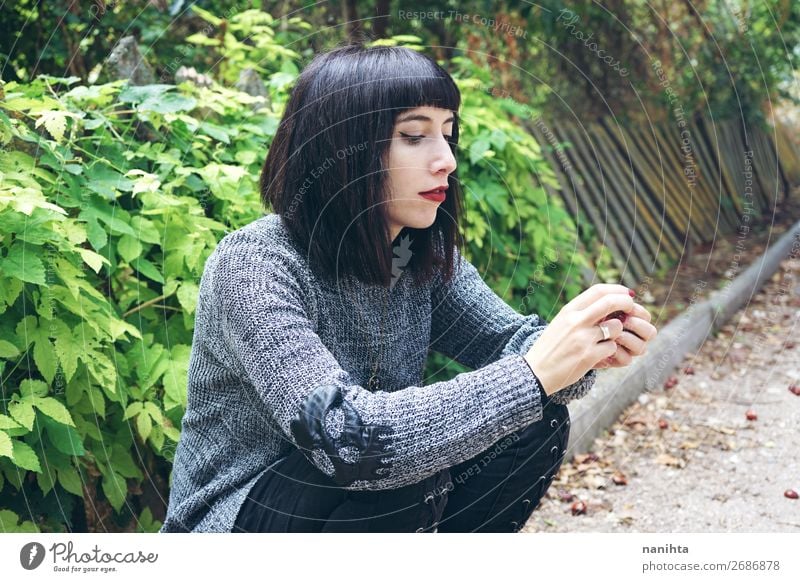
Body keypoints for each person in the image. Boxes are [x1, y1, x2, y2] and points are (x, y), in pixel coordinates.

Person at [159, 43, 657, 533]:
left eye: (448, 133)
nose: (446, 160)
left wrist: (583, 349)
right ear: (341, 148)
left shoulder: (419, 255)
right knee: (399, 472)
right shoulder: (255, 264)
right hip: (232, 524)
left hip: (356, 507)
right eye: (415, 135)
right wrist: (535, 371)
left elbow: (519, 351)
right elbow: (342, 437)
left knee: (532, 420)